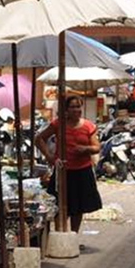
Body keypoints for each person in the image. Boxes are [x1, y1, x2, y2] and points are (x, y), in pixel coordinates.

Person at [36, 95, 102, 233]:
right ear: (66, 109)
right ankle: (60, 234)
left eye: (78, 106)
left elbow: (96, 147)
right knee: (60, 205)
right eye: (72, 107)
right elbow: (39, 139)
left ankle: (73, 236)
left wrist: (86, 149)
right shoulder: (58, 124)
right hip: (62, 171)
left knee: (78, 207)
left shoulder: (89, 126)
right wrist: (50, 157)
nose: (76, 110)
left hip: (82, 170)